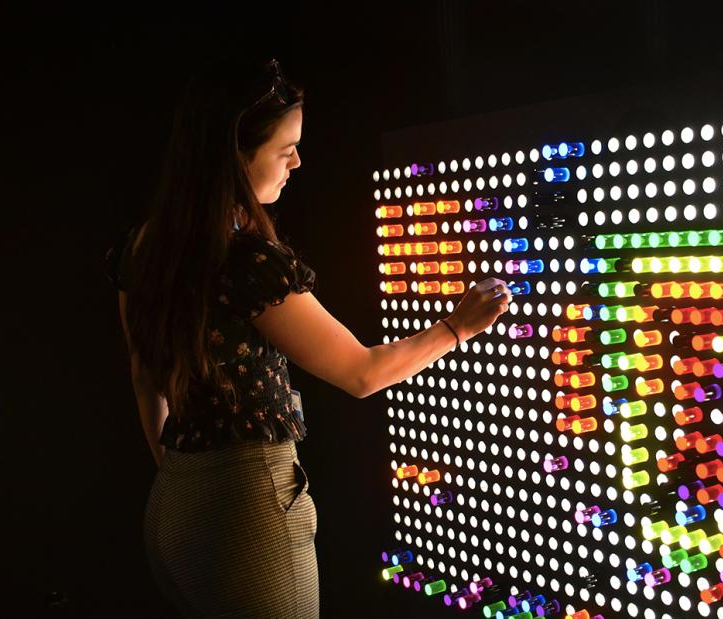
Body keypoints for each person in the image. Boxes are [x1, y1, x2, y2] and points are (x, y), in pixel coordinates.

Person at [104, 57, 512, 619]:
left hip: (172, 505)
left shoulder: (143, 247)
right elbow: (362, 372)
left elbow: (144, 377)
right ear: (233, 156)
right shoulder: (243, 260)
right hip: (248, 509)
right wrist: (457, 327)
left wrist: (179, 476)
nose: (298, 160)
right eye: (284, 147)